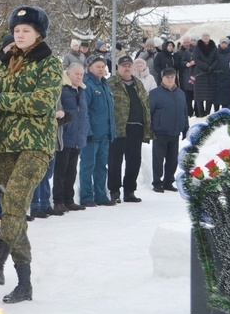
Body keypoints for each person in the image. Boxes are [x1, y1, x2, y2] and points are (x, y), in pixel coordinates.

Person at [0, 6, 62, 304]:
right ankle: (24, 283)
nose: (20, 34)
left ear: (39, 33)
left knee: (14, 201)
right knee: (11, 212)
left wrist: (2, 97)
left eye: (26, 30)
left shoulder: (50, 63)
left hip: (35, 145)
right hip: (4, 147)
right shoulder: (3, 63)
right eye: (16, 30)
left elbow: (42, 101)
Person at [107, 55, 152, 203]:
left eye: (129, 65)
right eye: (123, 66)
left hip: (136, 127)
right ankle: (114, 191)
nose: (127, 68)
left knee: (134, 160)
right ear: (118, 68)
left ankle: (129, 191)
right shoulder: (111, 83)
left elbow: (145, 104)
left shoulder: (138, 84)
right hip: (119, 127)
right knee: (115, 160)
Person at [78, 55, 116, 207]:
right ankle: (87, 196)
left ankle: (101, 195)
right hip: (91, 135)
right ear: (90, 68)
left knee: (102, 166)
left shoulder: (105, 84)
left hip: (105, 134)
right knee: (88, 166)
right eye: (97, 66)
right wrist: (88, 132)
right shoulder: (87, 84)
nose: (101, 69)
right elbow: (84, 110)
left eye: (103, 66)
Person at [52, 63, 88, 213]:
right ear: (68, 74)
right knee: (60, 170)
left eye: (81, 74)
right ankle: (58, 200)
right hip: (64, 135)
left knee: (72, 171)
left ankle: (69, 199)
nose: (79, 77)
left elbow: (84, 114)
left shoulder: (81, 90)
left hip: (77, 137)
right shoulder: (62, 88)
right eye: (76, 74)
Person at [149, 67, 189, 193]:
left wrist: (185, 128)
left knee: (172, 160)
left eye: (172, 77)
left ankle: (168, 181)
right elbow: (149, 112)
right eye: (167, 77)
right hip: (160, 132)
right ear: (162, 78)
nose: (170, 80)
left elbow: (184, 112)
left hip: (174, 132)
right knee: (158, 159)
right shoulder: (155, 93)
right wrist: (149, 129)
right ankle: (157, 182)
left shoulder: (180, 93)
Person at [192, 32, 218, 117]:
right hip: (200, 73)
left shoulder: (214, 46)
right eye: (204, 35)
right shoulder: (197, 47)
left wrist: (211, 67)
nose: (206, 37)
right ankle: (201, 114)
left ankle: (207, 113)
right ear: (201, 37)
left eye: (207, 35)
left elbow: (217, 59)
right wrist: (206, 67)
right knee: (199, 95)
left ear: (209, 37)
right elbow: (196, 59)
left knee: (209, 95)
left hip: (211, 73)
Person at [215, 37, 230, 111]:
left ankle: (227, 113)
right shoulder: (216, 53)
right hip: (217, 78)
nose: (223, 45)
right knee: (216, 99)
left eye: (225, 43)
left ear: (228, 44)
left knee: (228, 99)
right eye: (222, 43)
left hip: (228, 78)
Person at [177, 38, 196, 117]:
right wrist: (186, 64)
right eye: (185, 42)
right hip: (184, 76)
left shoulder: (196, 50)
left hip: (195, 75)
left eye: (188, 42)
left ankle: (196, 111)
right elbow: (180, 63)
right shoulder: (180, 52)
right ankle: (189, 111)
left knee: (195, 95)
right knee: (186, 96)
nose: (186, 44)